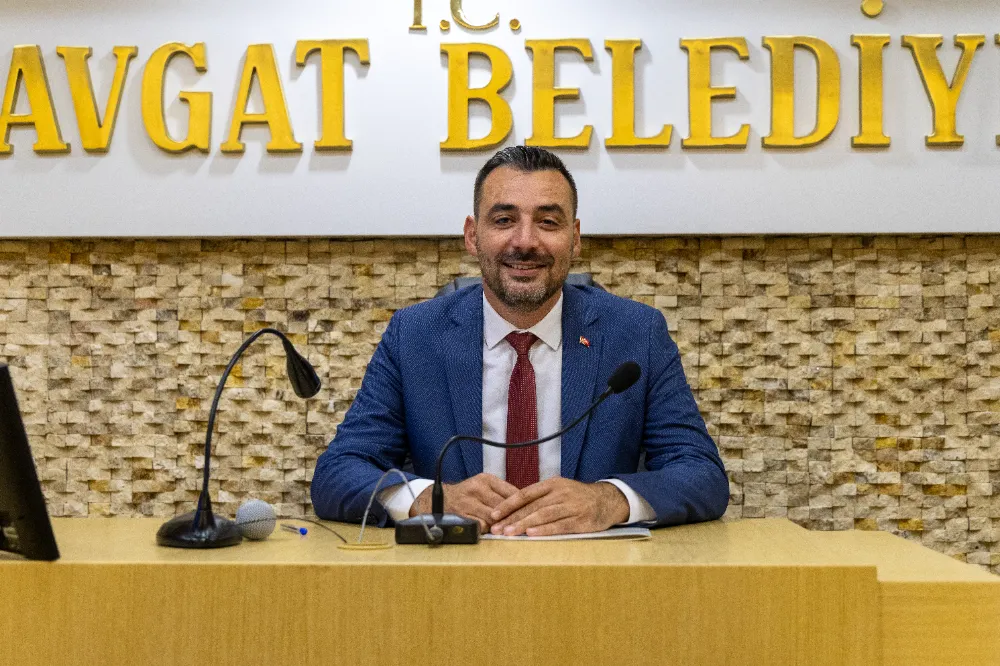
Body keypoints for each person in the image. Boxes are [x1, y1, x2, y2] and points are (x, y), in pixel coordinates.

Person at [311, 146, 729, 536]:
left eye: (548, 222)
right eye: (504, 220)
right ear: (472, 236)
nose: (525, 241)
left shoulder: (636, 333)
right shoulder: (414, 336)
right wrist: (429, 499)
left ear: (575, 238)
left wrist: (608, 500)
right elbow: (338, 472)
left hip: (593, 573)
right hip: (455, 574)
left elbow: (701, 473)